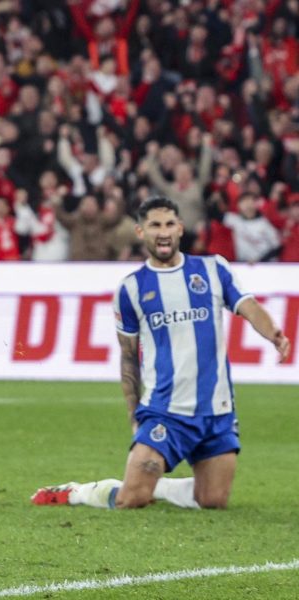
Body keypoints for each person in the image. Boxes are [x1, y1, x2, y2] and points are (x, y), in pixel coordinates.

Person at [31, 197, 290, 510]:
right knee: (131, 499)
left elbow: (248, 306)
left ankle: (161, 486)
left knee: (213, 500)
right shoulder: (131, 289)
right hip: (165, 412)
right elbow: (129, 358)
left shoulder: (212, 269)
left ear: (180, 228)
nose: (163, 231)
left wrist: (272, 332)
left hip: (216, 411)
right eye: (155, 225)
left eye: (169, 224)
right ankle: (80, 492)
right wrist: (134, 416)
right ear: (141, 232)